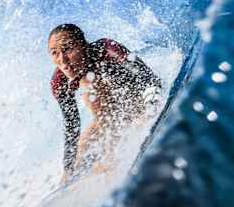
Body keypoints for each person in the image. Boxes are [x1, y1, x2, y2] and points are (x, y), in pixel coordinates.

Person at [48, 23, 162, 182]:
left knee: (92, 88)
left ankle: (109, 164)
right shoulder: (59, 82)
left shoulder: (107, 48)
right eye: (54, 53)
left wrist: (150, 110)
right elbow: (72, 125)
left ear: (83, 45)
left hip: (136, 103)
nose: (62, 60)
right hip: (104, 119)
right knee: (72, 166)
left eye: (67, 49)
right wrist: (68, 167)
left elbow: (148, 77)